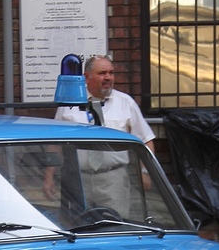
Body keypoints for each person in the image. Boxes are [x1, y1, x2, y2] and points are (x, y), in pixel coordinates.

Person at [44, 54, 156, 210]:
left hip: (113, 179)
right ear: (86, 77)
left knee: (115, 222)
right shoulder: (69, 104)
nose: (108, 77)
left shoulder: (125, 103)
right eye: (102, 73)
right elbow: (55, 144)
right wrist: (49, 176)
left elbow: (146, 139)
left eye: (111, 73)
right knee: (78, 222)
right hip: (78, 180)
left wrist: (145, 172)